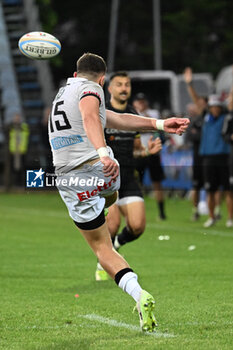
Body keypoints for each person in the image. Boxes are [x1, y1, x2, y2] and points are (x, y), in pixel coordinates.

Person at [48, 53, 190, 332]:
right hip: (101, 174)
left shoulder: (65, 93)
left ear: (76, 74)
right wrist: (159, 125)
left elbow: (93, 116)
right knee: (108, 234)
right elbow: (105, 117)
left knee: (101, 248)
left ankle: (137, 292)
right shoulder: (92, 89)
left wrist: (102, 153)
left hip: (72, 179)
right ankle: (140, 295)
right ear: (103, 79)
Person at [100, 72, 162, 283]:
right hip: (107, 178)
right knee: (113, 222)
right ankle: (104, 260)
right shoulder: (102, 111)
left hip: (128, 177)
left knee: (137, 227)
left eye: (127, 84)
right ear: (110, 88)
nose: (124, 88)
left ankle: (115, 246)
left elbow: (136, 149)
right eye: (119, 84)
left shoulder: (132, 112)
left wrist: (146, 152)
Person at [199, 94, 233, 227]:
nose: (216, 109)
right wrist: (189, 84)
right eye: (213, 107)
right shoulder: (206, 118)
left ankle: (230, 218)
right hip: (208, 158)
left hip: (224, 157)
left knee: (228, 190)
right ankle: (211, 217)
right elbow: (198, 102)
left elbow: (230, 103)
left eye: (218, 106)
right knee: (210, 190)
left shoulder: (226, 118)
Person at [132, 92, 166, 220]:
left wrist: (142, 119)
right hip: (139, 153)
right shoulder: (131, 113)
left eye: (143, 101)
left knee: (157, 183)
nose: (141, 103)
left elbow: (153, 127)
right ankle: (137, 212)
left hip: (152, 152)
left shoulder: (153, 113)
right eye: (138, 101)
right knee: (136, 184)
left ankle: (161, 212)